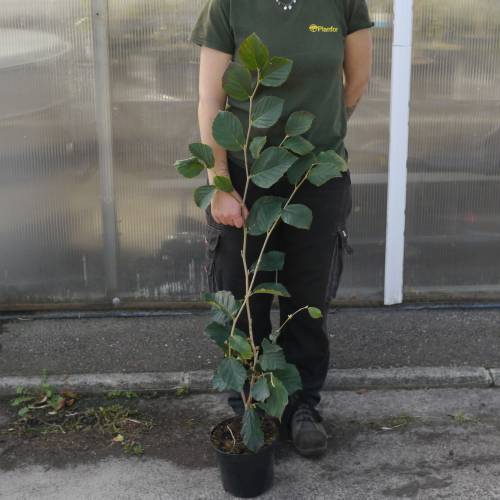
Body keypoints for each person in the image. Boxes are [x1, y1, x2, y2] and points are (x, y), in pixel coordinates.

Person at [189, 0, 373, 457]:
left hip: (317, 176)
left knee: (306, 299)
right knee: (243, 296)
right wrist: (220, 183)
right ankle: (249, 406)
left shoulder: (343, 3)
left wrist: (322, 135)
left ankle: (301, 407)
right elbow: (211, 99)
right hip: (245, 177)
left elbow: (358, 81)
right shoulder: (227, 6)